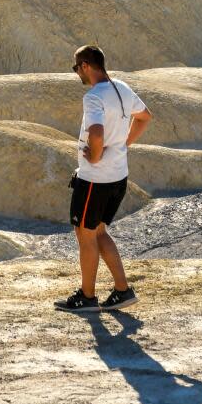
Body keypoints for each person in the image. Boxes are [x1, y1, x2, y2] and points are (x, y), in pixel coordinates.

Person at [54, 44, 152, 313]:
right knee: (98, 232)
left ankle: (87, 297)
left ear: (86, 65)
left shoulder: (94, 96)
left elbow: (95, 134)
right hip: (117, 177)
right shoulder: (121, 87)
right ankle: (123, 290)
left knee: (85, 236)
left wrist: (95, 156)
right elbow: (144, 117)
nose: (77, 74)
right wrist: (123, 144)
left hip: (95, 180)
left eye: (77, 68)